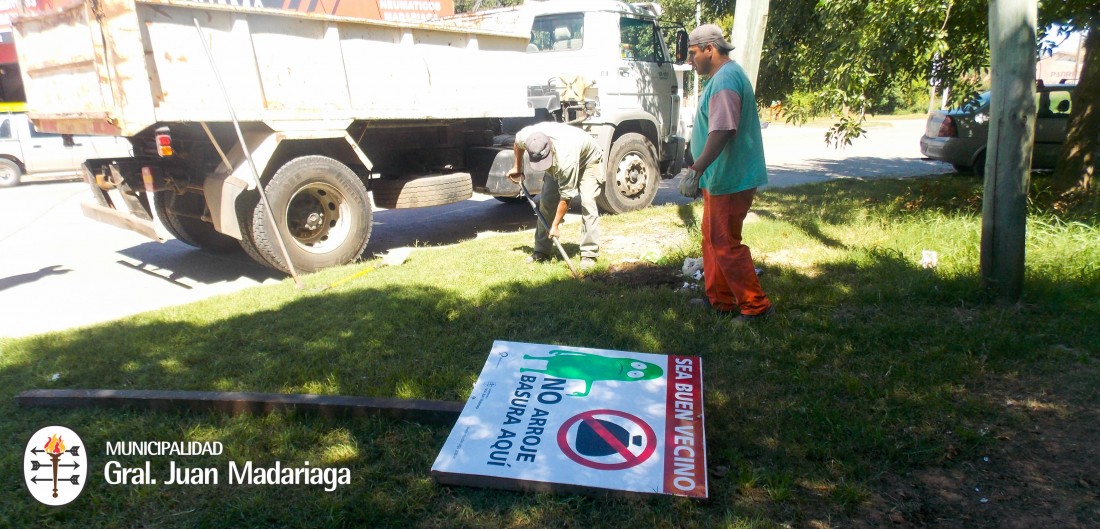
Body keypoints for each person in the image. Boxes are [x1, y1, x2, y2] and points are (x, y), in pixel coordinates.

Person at [684, 24, 774, 322]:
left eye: (693, 53)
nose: (690, 60)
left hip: (729, 179)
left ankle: (755, 306)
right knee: (712, 240)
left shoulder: (725, 81)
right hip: (720, 178)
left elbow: (722, 130)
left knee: (724, 242)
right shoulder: (723, 78)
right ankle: (720, 300)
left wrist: (697, 170)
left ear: (710, 49)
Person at [507, 121, 605, 269]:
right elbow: (517, 143)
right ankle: (541, 251)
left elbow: (566, 197)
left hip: (588, 160)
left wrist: (555, 225)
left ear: (550, 145)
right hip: (559, 158)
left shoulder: (567, 159)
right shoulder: (526, 137)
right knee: (546, 202)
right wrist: (517, 167)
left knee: (587, 202)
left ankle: (589, 253)